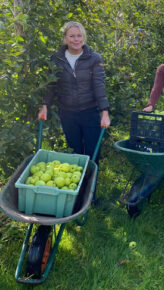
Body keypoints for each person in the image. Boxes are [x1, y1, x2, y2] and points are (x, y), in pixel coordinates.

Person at [38, 21, 110, 203]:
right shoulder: (56, 59)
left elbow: (99, 86)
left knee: (93, 154)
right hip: (68, 113)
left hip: (90, 112)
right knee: (75, 153)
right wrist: (44, 105)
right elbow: (51, 85)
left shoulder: (94, 58)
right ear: (65, 38)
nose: (76, 39)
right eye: (72, 36)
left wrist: (104, 112)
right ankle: (76, 193)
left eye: (79, 35)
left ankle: (91, 195)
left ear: (84, 37)